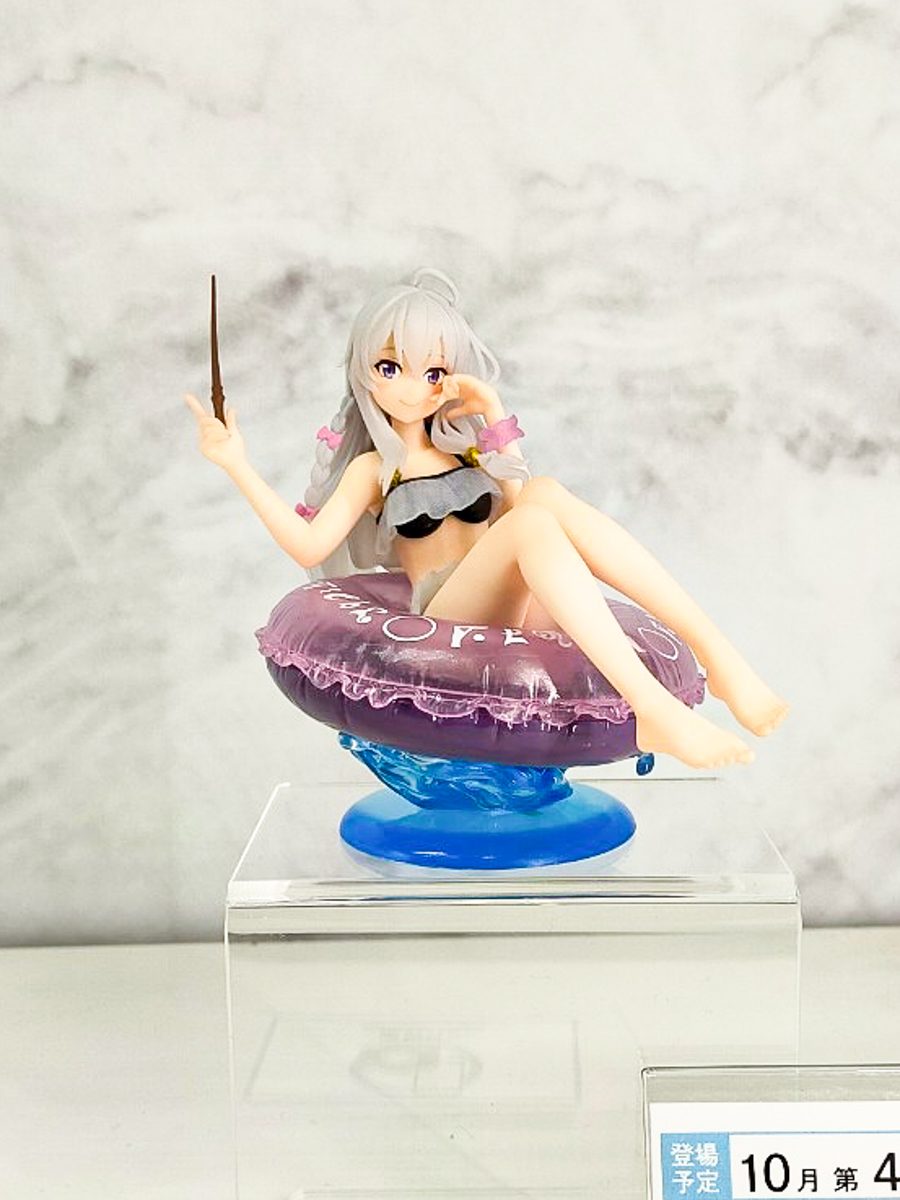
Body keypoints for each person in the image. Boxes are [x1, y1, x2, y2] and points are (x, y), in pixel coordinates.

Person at [185, 268, 787, 768]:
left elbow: (525, 505)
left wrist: (494, 412)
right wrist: (236, 464)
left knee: (543, 494)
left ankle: (719, 657)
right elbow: (307, 544)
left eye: (433, 373)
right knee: (530, 520)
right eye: (391, 368)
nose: (412, 388)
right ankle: (653, 709)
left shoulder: (466, 451)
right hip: (451, 610)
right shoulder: (374, 470)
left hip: (517, 599)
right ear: (365, 371)